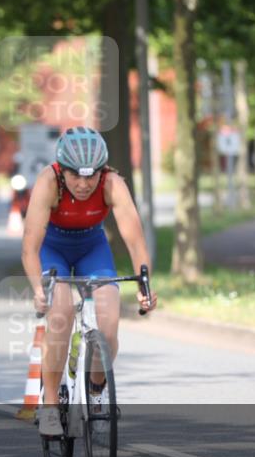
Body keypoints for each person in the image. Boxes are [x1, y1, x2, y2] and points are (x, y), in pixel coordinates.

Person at [21, 127, 157, 436]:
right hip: (51, 248)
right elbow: (29, 247)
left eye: (91, 177)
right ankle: (51, 405)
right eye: (76, 177)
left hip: (92, 247)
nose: (84, 185)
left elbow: (135, 242)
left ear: (102, 171)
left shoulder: (113, 184)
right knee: (61, 311)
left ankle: (96, 390)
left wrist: (145, 286)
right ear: (62, 170)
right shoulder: (47, 182)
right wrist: (37, 289)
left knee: (109, 319)